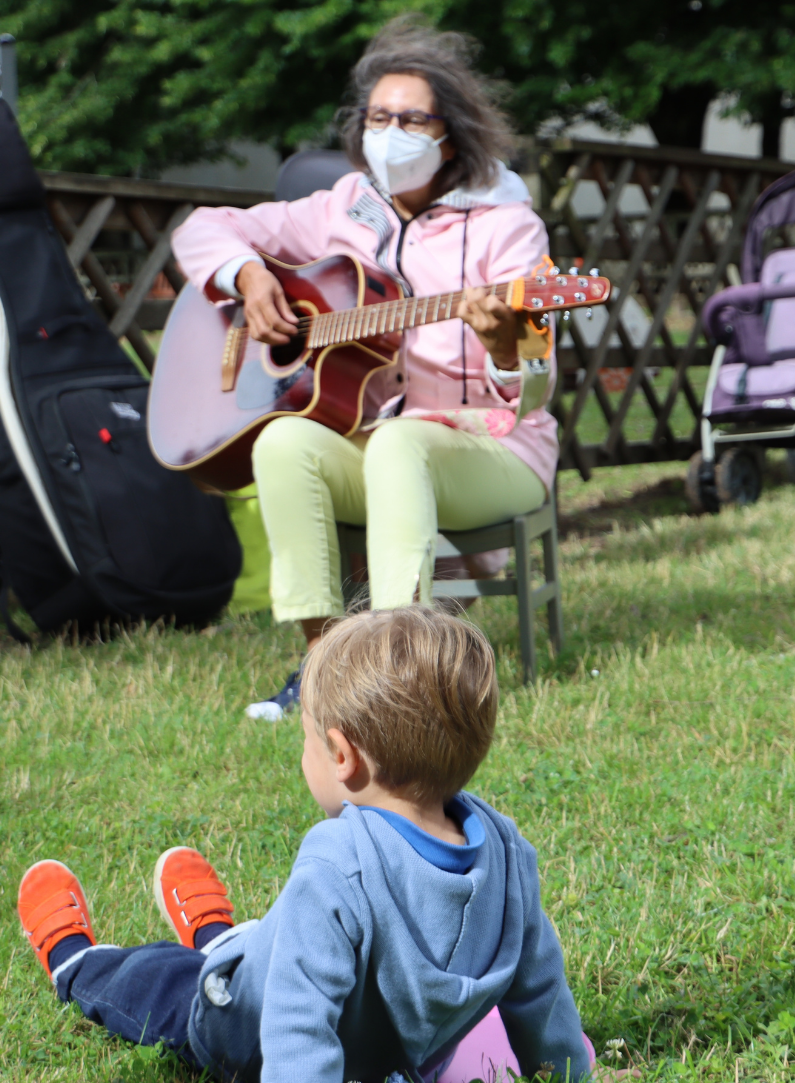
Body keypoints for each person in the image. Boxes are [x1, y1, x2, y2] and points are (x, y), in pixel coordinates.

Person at [14, 606, 598, 1083]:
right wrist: (571, 1081)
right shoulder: (504, 847)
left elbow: (297, 1023)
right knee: (271, 944)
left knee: (161, 984)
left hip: (239, 1032)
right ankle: (217, 934)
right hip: (381, 1065)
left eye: (308, 739)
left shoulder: (337, 860)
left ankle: (74, 962)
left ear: (342, 756)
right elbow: (538, 989)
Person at [171, 16, 556, 720]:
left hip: (496, 445)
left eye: (412, 118)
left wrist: (504, 345)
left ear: (451, 132)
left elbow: (536, 383)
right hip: (381, 441)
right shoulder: (345, 206)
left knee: (401, 442)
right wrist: (250, 277)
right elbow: (201, 227)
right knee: (285, 440)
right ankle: (324, 665)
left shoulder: (509, 227)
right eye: (379, 116)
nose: (392, 132)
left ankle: (399, 668)